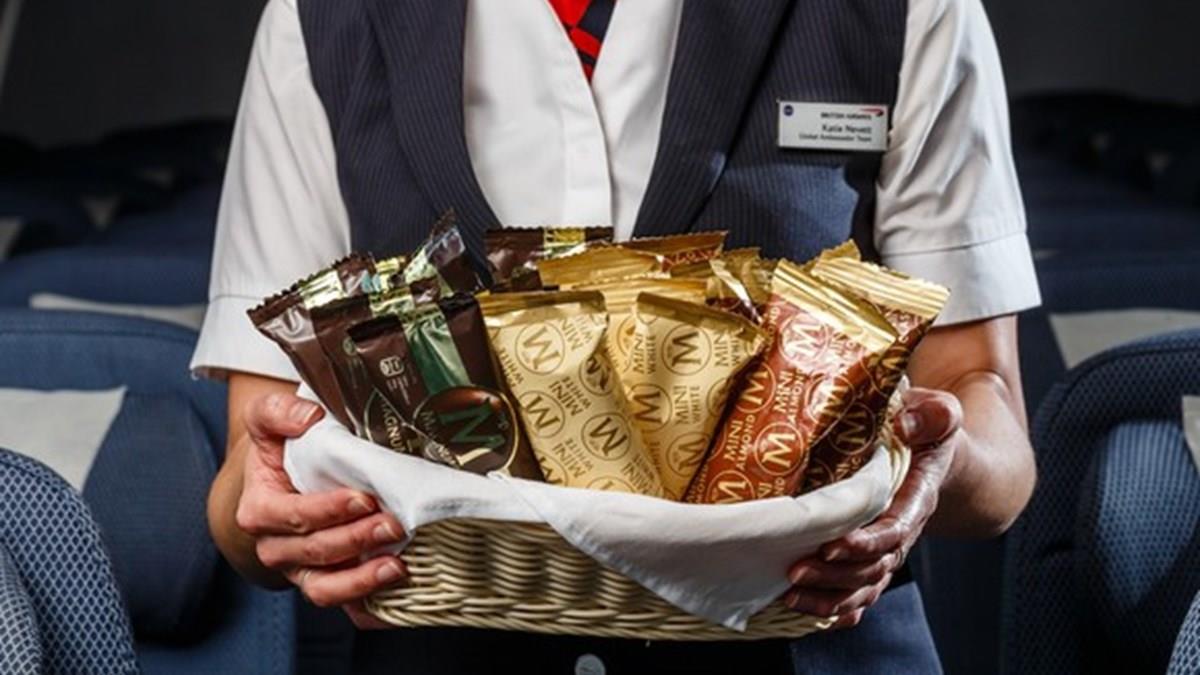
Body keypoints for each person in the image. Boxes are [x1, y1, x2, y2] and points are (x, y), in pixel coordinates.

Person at [193, 0, 1040, 671]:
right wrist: (271, 515)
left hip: (812, 647)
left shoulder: (905, 9)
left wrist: (936, 464)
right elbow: (246, 489)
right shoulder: (320, 18)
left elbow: (992, 423)